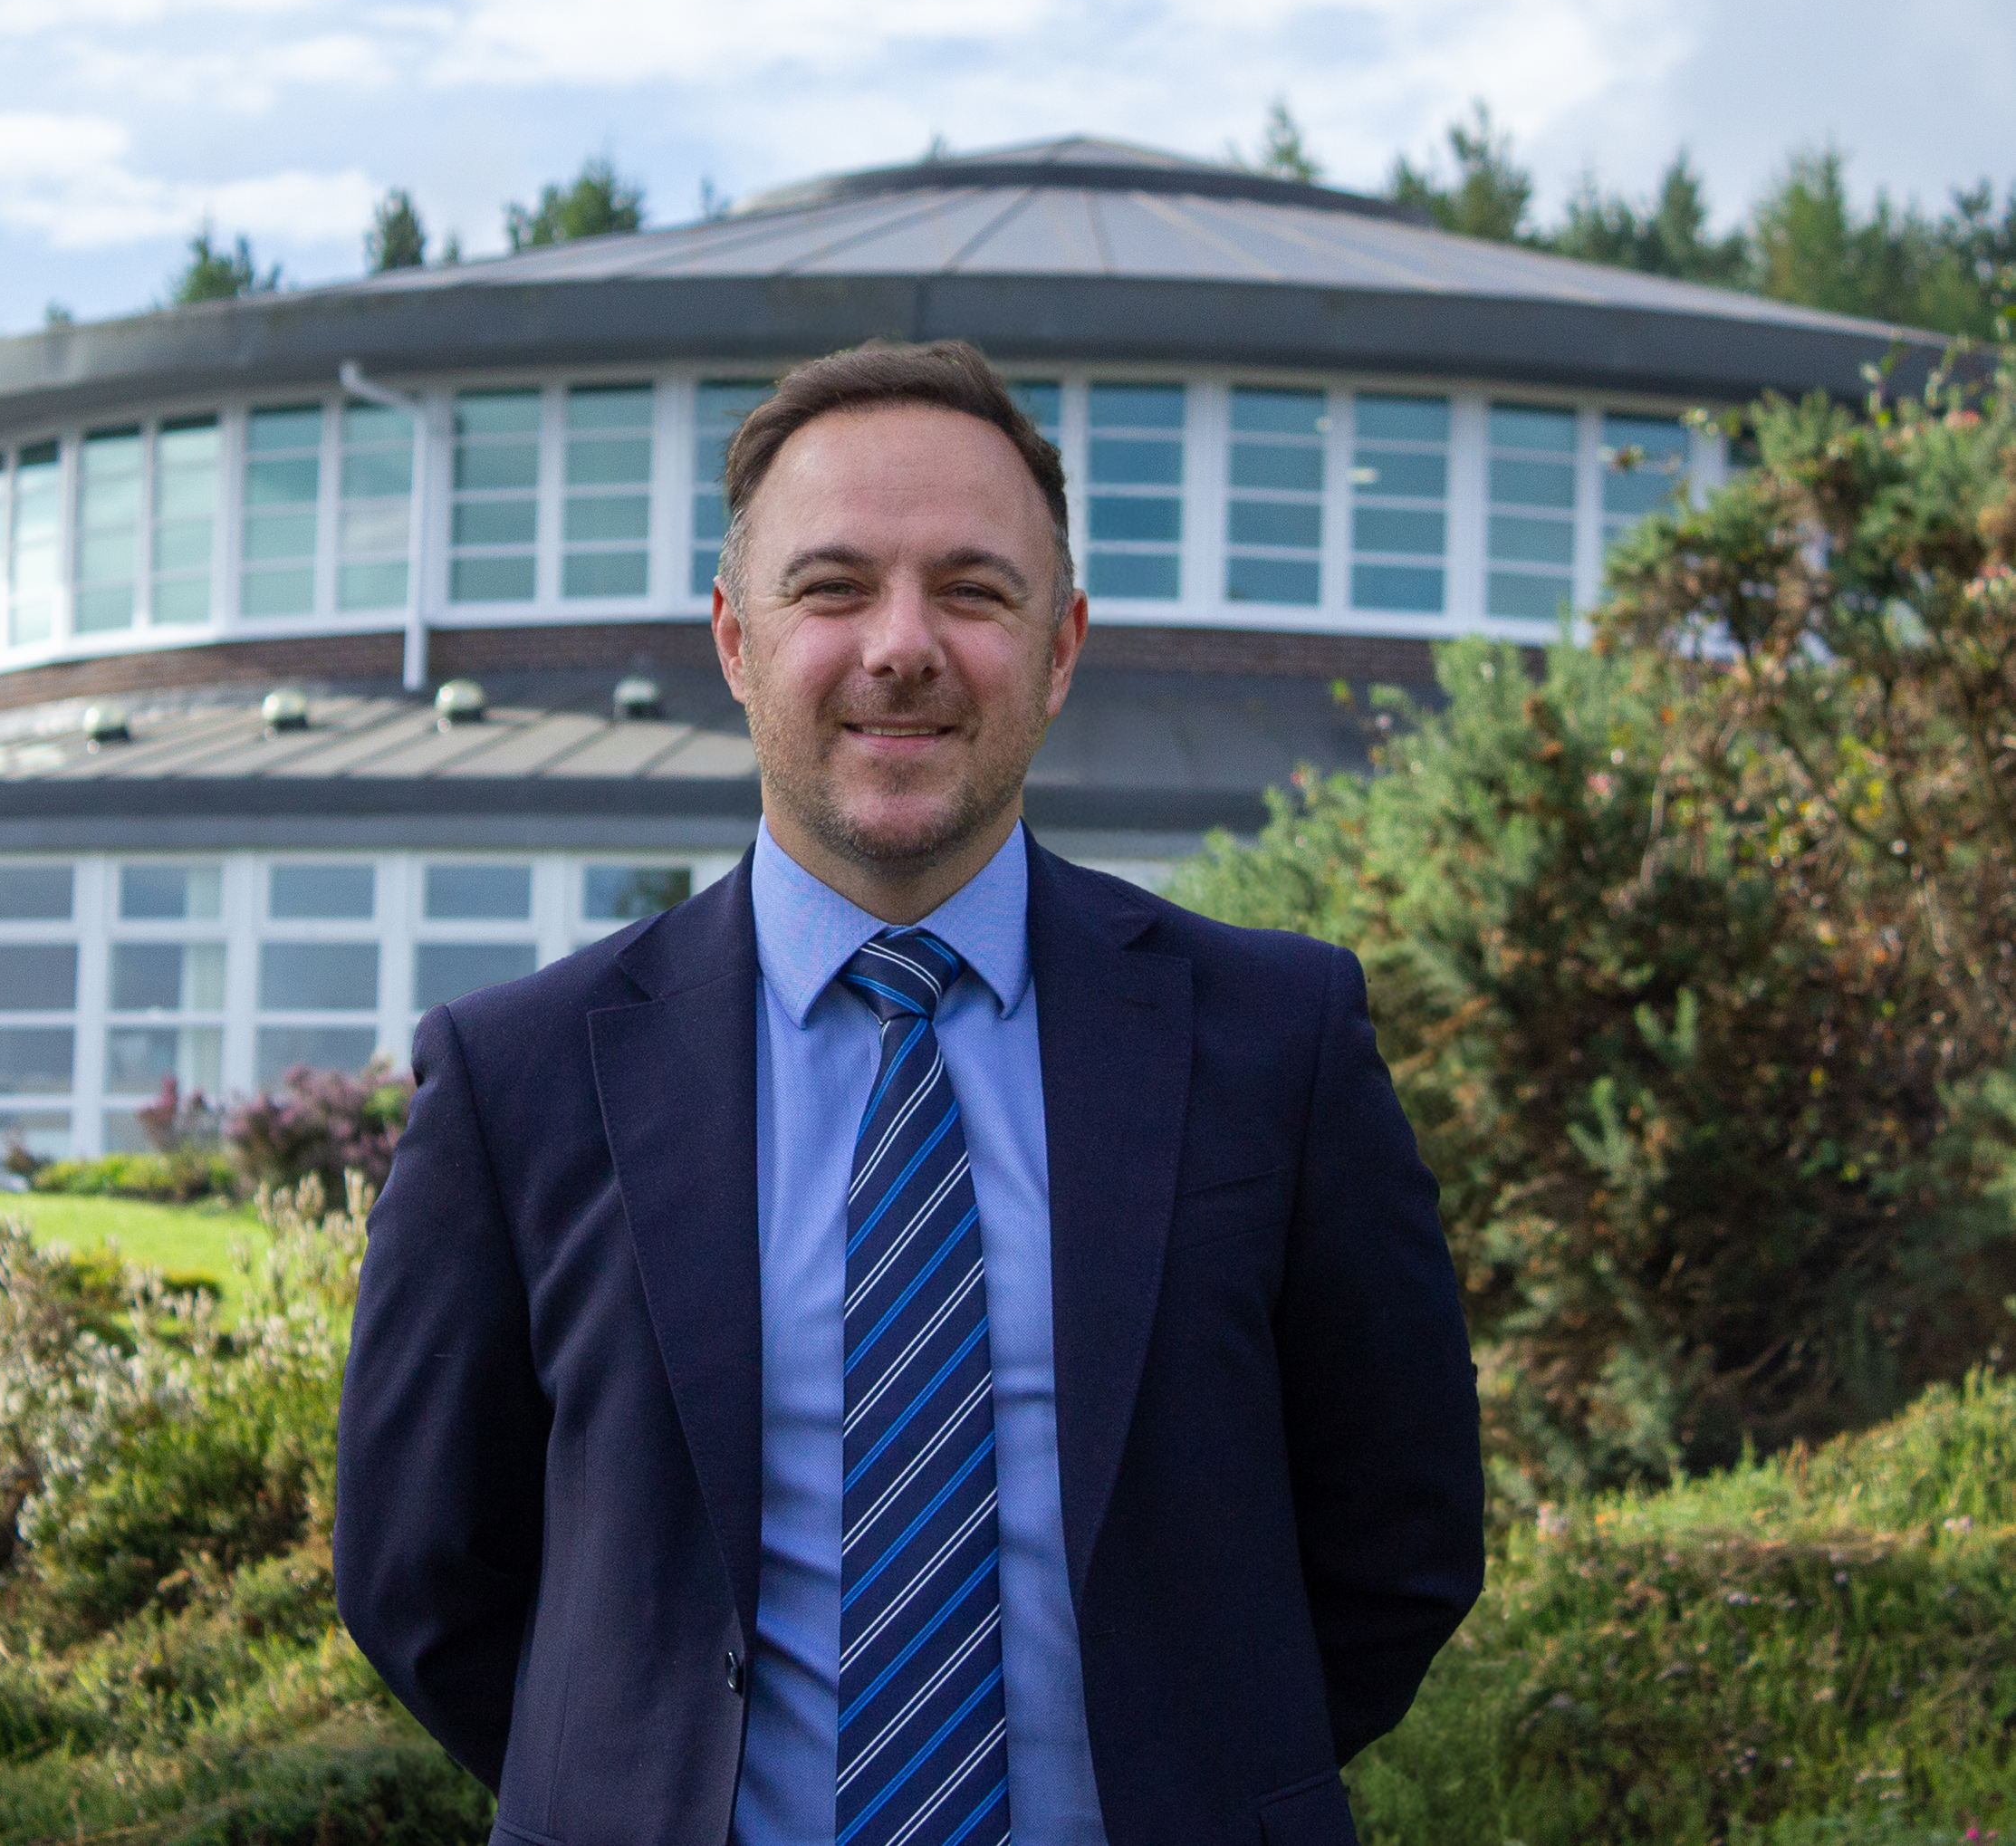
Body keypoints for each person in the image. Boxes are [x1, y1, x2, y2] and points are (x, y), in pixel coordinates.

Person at [335, 340, 1483, 1846]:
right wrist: (630, 1780)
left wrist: (1203, 1763)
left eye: (973, 589)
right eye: (832, 588)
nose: (902, 644)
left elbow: (1401, 1535)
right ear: (738, 644)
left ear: (1062, 647)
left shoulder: (1275, 1039)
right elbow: (420, 1573)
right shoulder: (519, 1080)